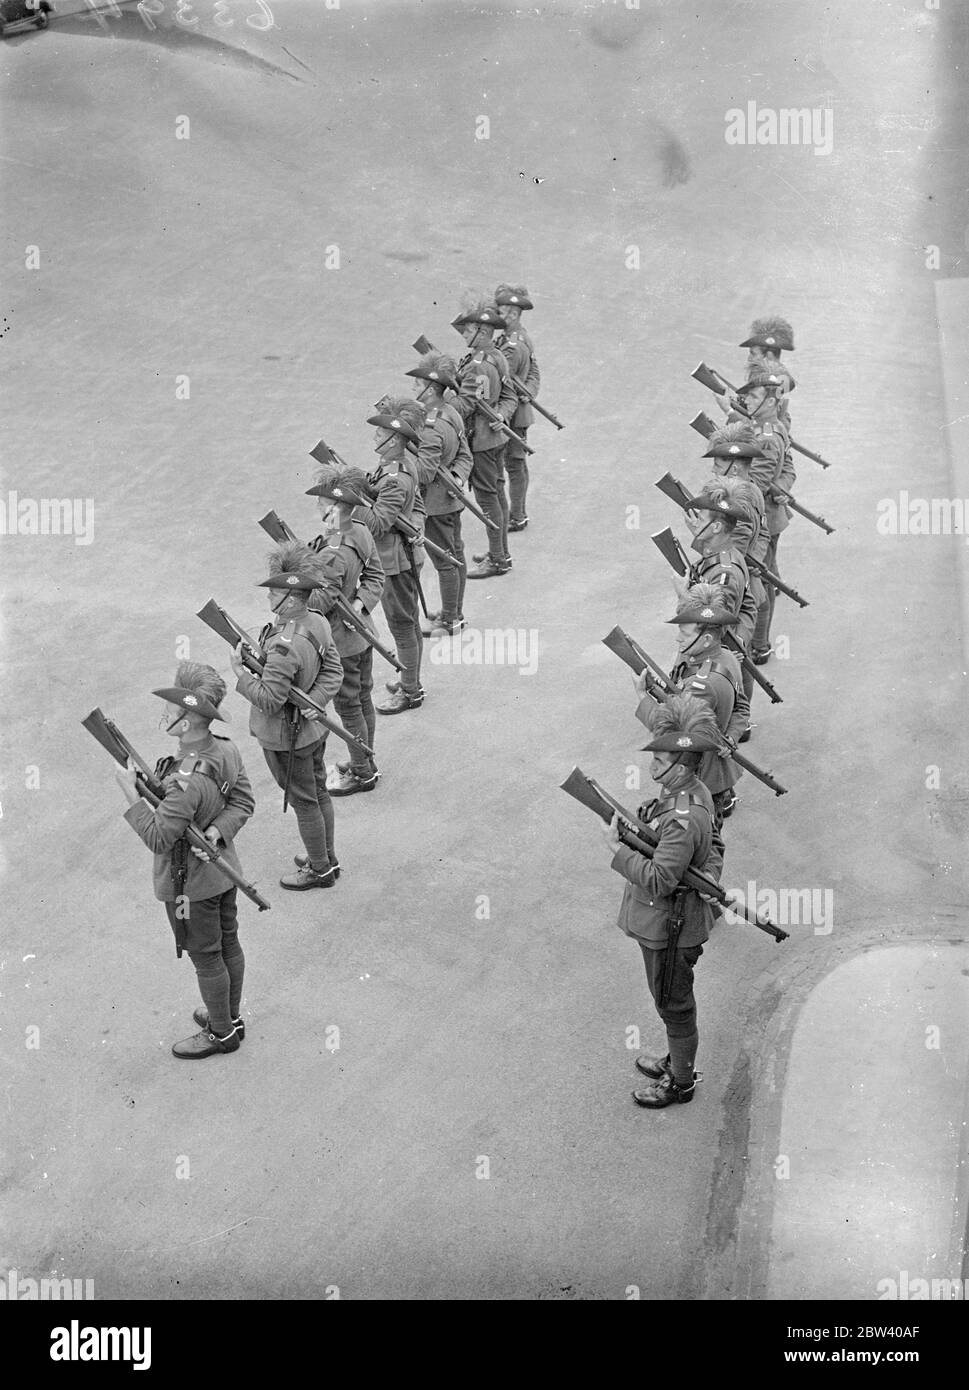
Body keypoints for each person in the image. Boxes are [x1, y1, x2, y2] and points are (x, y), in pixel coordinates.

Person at [115, 662, 255, 1059]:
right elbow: (243, 801)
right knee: (228, 944)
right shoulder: (224, 749)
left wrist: (131, 794)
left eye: (172, 709)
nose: (164, 714)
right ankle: (228, 1014)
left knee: (206, 957)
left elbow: (159, 836)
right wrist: (217, 831)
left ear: (190, 720)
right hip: (223, 875)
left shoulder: (184, 779)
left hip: (190, 885)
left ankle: (221, 1032)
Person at [602, 694, 734, 1108]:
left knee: (672, 1004)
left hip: (669, 927)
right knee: (671, 1002)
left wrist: (618, 851)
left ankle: (681, 1082)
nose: (651, 766)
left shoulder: (682, 816)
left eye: (659, 762)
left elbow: (659, 880)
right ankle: (678, 1060)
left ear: (683, 765)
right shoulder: (692, 794)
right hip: (675, 921)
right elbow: (713, 843)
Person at [231, 543, 344, 890]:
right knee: (318, 794)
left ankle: (320, 869)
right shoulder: (317, 621)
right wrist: (317, 700)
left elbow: (270, 699)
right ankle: (325, 855)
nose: (269, 599)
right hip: (311, 729)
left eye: (275, 593)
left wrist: (242, 674)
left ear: (291, 599)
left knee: (304, 801)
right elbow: (333, 670)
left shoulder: (283, 644)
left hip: (286, 737)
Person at [304, 473, 385, 795]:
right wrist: (360, 605)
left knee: (350, 708)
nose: (318, 508)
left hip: (341, 641)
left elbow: (320, 601)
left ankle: (363, 773)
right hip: (361, 632)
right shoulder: (359, 531)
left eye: (322, 504)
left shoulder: (333, 551)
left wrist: (297, 581)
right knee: (363, 700)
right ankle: (365, 761)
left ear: (336, 507)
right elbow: (375, 574)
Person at [356, 401, 428, 713]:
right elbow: (419, 507)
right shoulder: (395, 466)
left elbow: (378, 524)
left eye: (380, 435)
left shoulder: (396, 476)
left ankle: (410, 691)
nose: (375, 439)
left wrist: (350, 502)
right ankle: (410, 679)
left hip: (396, 561)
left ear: (395, 440)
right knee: (408, 623)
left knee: (402, 625)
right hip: (402, 554)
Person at [662, 582, 749, 827]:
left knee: (701, 842)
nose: (679, 638)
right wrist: (731, 738)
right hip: (719, 773)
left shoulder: (701, 685)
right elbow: (742, 708)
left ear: (707, 638)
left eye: (686, 634)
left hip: (702, 776)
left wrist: (645, 700)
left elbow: (677, 734)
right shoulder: (728, 657)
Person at [405, 351, 473, 636]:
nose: (413, 388)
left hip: (435, 503)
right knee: (456, 554)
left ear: (430, 389)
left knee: (446, 561)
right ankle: (453, 612)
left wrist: (406, 450)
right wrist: (457, 476)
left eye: (417, 384)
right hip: (450, 498)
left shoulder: (432, 428)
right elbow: (465, 454)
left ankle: (450, 619)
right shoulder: (451, 412)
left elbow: (425, 473)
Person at [452, 296, 517, 578]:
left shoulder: (477, 365)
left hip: (479, 442)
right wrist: (502, 415)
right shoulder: (497, 356)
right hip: (496, 439)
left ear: (483, 333)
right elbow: (509, 396)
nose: (464, 334)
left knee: (489, 500)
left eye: (468, 330)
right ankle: (500, 552)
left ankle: (498, 559)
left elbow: (467, 404)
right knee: (498, 496)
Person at [494, 283, 540, 531]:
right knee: (516, 463)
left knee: (513, 463)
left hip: (512, 415)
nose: (500, 316)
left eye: (504, 312)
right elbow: (534, 372)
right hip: (518, 411)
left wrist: (527, 394)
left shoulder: (512, 344)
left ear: (513, 314)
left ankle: (517, 515)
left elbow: (504, 379)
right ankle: (518, 513)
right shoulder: (518, 336)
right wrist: (529, 392)